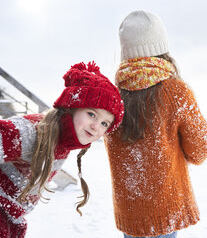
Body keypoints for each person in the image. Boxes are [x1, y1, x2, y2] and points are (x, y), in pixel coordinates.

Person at [104, 10, 207, 238]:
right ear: (162, 47)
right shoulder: (176, 92)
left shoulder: (112, 96)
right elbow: (199, 152)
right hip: (165, 211)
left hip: (130, 213)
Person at [0, 61, 124, 237]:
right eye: (91, 114)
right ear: (72, 108)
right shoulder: (30, 132)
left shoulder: (62, 142)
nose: (96, 126)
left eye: (105, 123)